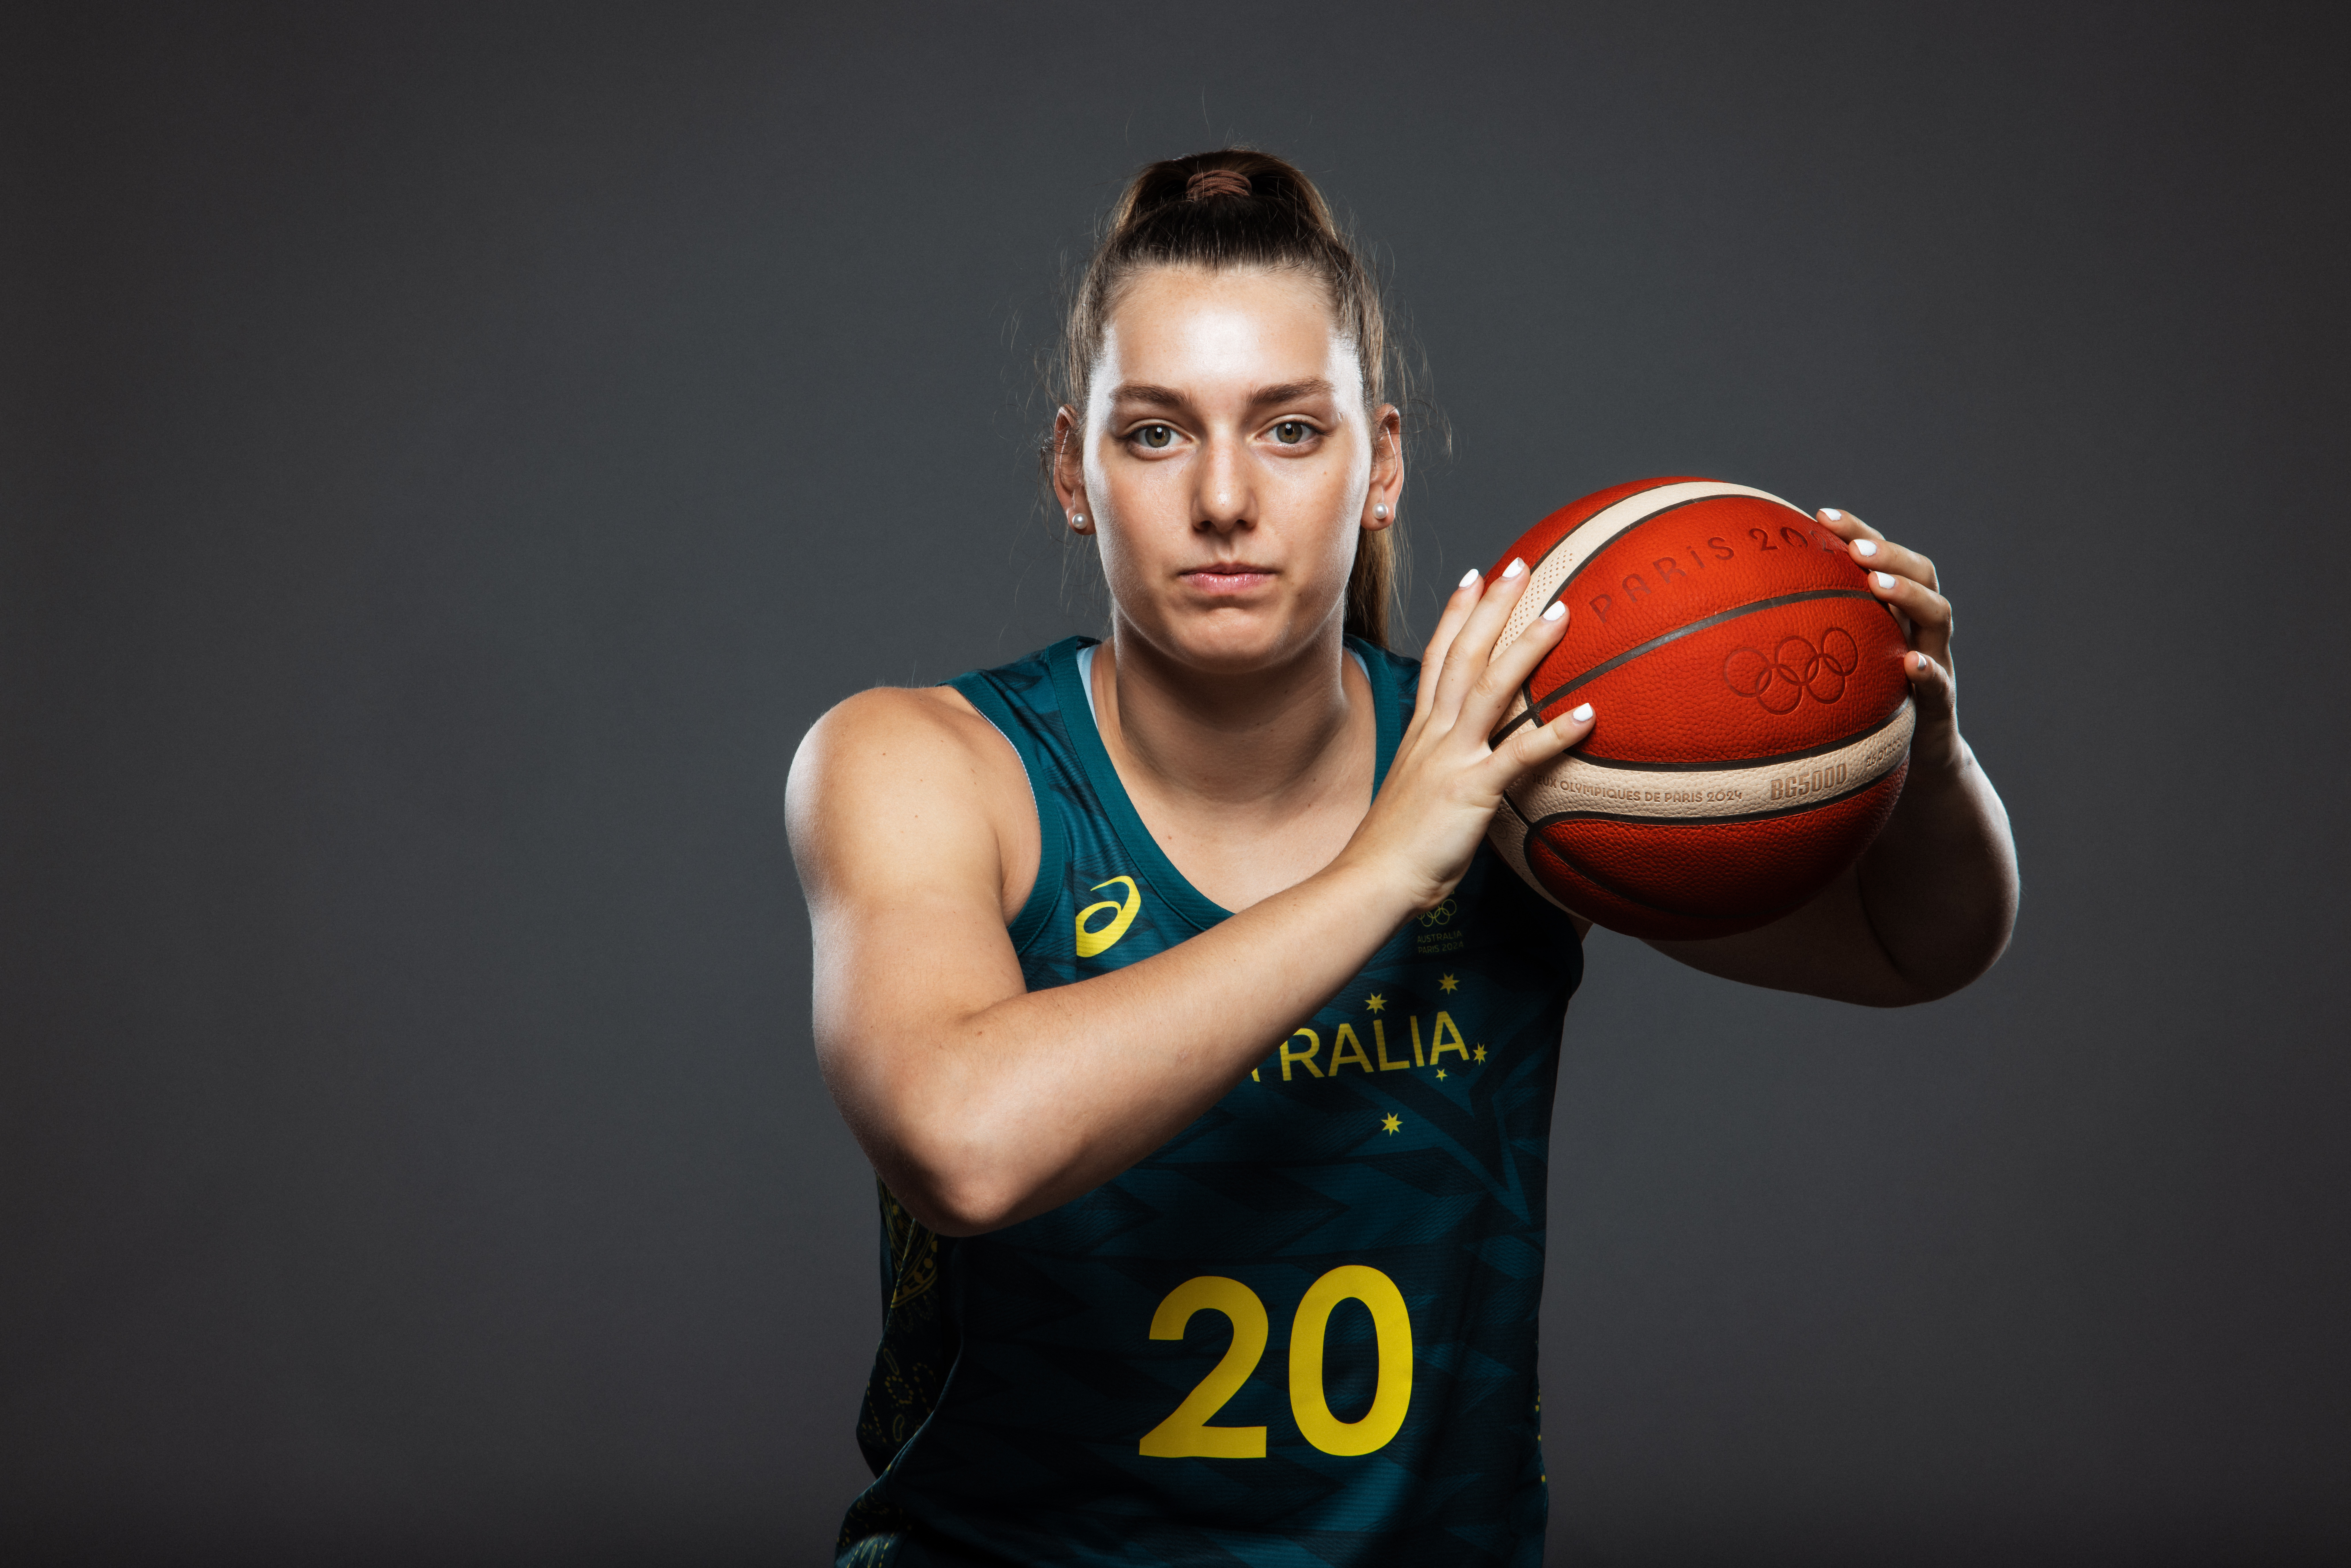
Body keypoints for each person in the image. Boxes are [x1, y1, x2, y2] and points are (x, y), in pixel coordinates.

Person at [786, 148, 2018, 1568]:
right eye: (1155, 434)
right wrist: (1384, 866)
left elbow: (1913, 944)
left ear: (1381, 464)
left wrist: (1923, 754)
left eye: (1291, 431)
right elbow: (963, 1143)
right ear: (1072, 471)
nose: (1226, 498)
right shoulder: (926, 762)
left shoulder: (1516, 773)